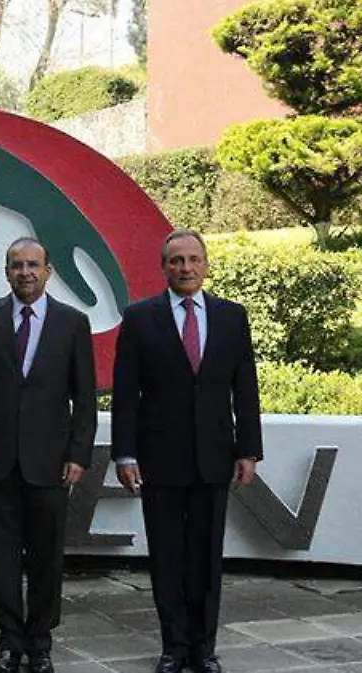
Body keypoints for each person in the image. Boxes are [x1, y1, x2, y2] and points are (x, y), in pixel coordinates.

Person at [111, 229, 263, 673]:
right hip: (159, 459)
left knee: (206, 558)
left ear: (206, 264)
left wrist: (249, 450)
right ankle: (173, 648)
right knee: (166, 557)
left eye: (194, 259)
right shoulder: (140, 318)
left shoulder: (232, 317)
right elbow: (126, 393)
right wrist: (125, 454)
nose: (186, 267)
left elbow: (245, 388)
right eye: (176, 260)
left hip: (215, 458)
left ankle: (204, 648)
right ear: (164, 267)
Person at [0, 237, 97, 673]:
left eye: (33, 265)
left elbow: (84, 399)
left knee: (46, 556)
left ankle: (40, 641)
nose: (25, 272)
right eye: (17, 265)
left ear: (48, 271)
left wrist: (79, 454)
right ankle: (9, 640)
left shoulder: (73, 323)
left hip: (50, 461)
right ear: (7, 272)